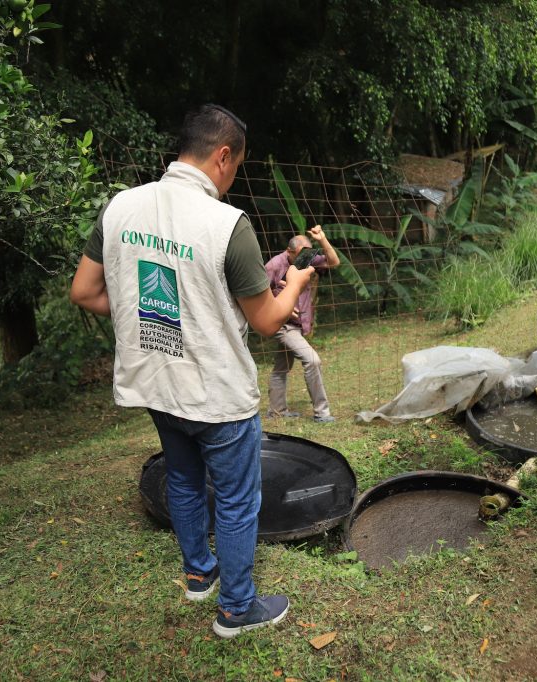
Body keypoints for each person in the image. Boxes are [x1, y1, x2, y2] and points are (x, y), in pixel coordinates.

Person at [69, 104, 311, 639]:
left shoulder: (120, 208)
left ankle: (199, 574)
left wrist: (143, 306)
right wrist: (295, 279)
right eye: (238, 166)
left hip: (156, 382)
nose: (234, 178)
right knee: (235, 499)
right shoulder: (227, 224)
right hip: (215, 392)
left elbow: (85, 291)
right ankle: (236, 609)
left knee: (181, 477)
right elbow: (269, 320)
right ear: (223, 156)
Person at [264, 227, 339, 422]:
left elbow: (334, 262)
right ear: (289, 251)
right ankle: (322, 413)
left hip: (298, 325)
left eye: (308, 253)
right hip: (283, 325)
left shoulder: (305, 260)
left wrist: (322, 239)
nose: (306, 258)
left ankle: (276, 411)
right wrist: (282, 306)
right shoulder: (274, 265)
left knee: (281, 367)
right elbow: (259, 294)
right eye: (301, 253)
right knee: (312, 360)